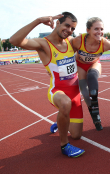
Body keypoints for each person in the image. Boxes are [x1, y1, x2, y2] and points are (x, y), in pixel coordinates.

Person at [10, 12, 85, 157]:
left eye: (73, 28)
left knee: (76, 135)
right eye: (67, 25)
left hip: (75, 94)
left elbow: (93, 45)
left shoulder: (71, 42)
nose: (69, 30)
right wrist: (38, 20)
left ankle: (61, 121)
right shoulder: (43, 44)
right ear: (58, 23)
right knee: (64, 103)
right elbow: (14, 40)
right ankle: (64, 146)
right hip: (57, 91)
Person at [72, 17, 110, 131]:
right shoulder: (78, 40)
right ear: (88, 30)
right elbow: (67, 53)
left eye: (101, 29)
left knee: (91, 75)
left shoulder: (105, 43)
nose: (99, 32)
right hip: (80, 65)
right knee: (85, 95)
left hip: (94, 64)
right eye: (96, 29)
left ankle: (95, 100)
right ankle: (95, 117)